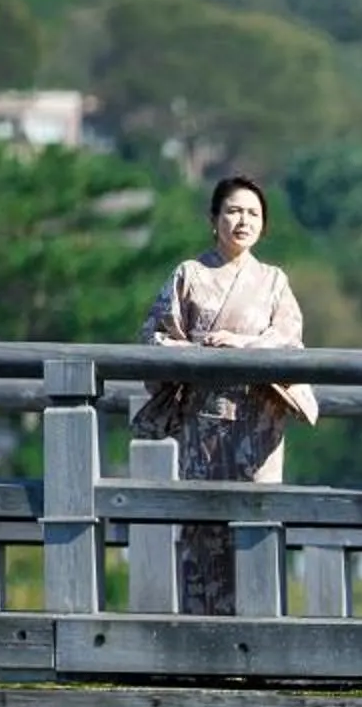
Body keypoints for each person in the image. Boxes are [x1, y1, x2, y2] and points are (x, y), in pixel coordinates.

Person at [133, 176, 318, 616]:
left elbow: (290, 342)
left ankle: (259, 629)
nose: (243, 220)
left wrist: (244, 346)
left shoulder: (273, 281)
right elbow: (155, 338)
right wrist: (200, 355)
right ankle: (201, 632)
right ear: (213, 219)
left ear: (264, 226)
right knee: (202, 522)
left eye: (253, 213)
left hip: (260, 420)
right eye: (233, 211)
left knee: (258, 519)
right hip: (203, 419)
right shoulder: (189, 274)